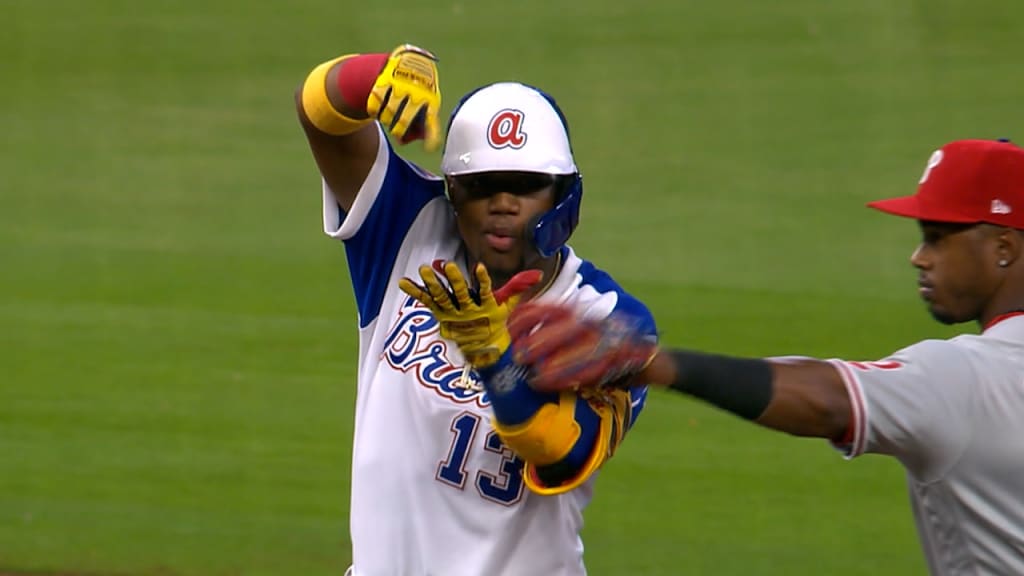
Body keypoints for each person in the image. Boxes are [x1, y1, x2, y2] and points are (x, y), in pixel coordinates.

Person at [506, 138, 1024, 575]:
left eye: (938, 238)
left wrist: (646, 362)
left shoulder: (966, 379)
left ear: (1003, 246)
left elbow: (828, 400)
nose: (920, 257)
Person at [294, 43, 656, 576]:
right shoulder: (407, 231)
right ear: (454, 193)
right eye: (482, 186)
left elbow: (562, 452)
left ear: (563, 196)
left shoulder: (605, 319)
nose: (502, 203)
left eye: (526, 186)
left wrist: (495, 357)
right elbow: (322, 118)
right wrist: (376, 74)